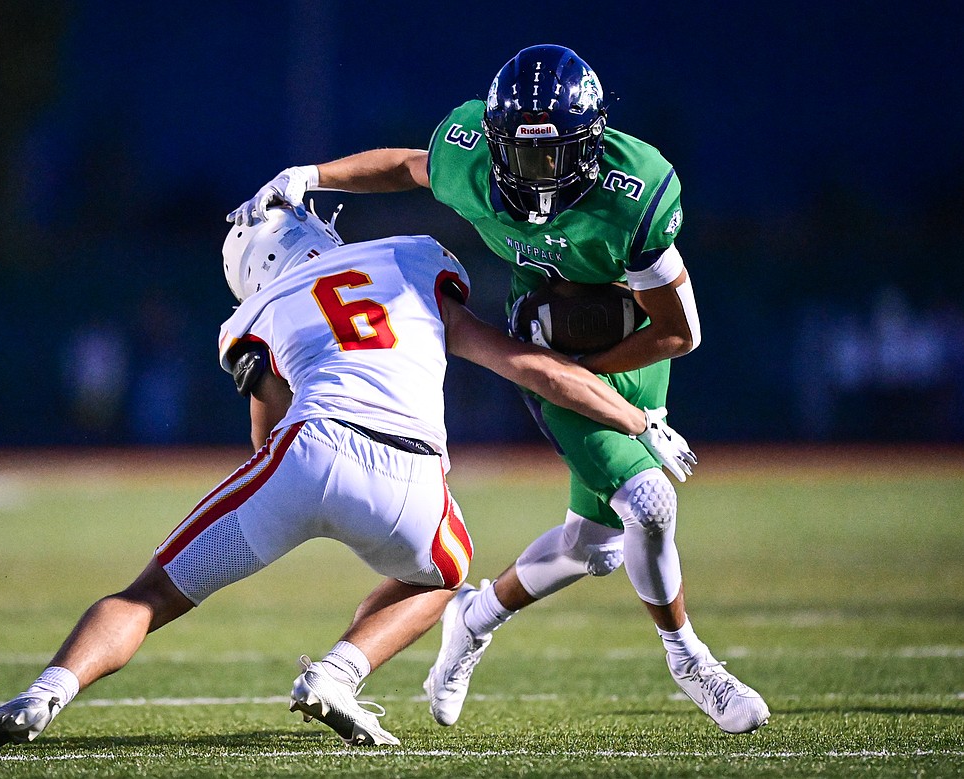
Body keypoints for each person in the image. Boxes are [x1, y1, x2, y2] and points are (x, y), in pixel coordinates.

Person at [0, 203, 695, 754]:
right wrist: (639, 422)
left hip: (307, 449)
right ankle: (338, 673)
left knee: (145, 594)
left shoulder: (254, 312)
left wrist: (284, 510)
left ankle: (44, 693)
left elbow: (263, 436)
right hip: (411, 477)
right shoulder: (411, 258)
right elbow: (523, 362)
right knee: (442, 577)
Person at [229, 44, 770, 734]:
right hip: (545, 339)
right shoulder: (471, 163)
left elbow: (678, 332)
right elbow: (405, 166)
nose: (533, 173)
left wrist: (605, 386)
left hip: (632, 342)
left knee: (594, 544)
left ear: (590, 146)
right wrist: (310, 174)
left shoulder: (634, 194)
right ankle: (690, 659)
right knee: (648, 500)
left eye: (550, 155)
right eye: (518, 152)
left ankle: (473, 618)